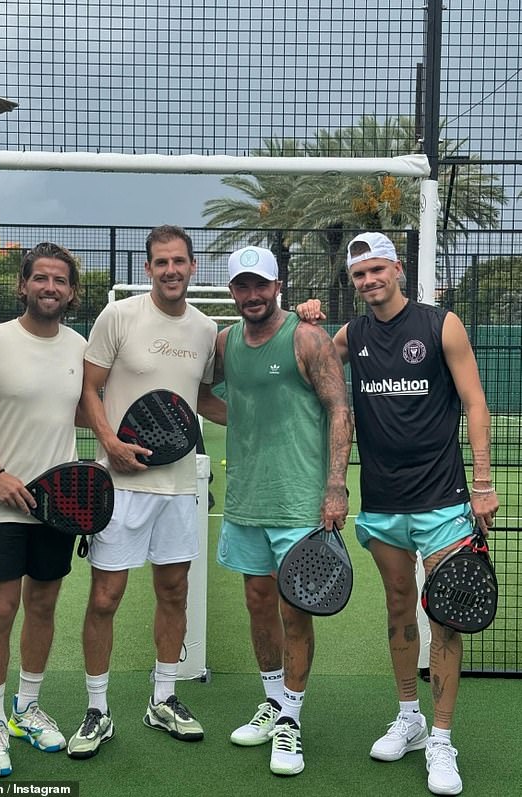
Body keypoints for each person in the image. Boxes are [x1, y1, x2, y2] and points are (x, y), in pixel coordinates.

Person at [299, 232, 499, 796]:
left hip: (443, 502)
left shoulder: (442, 324)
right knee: (396, 608)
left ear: (398, 270)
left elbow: (475, 403)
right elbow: (306, 352)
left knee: (445, 617)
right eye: (359, 274)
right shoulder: (353, 334)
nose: (368, 281)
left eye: (377, 269)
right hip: (382, 504)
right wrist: (305, 317)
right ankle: (408, 715)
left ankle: (441, 737)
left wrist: (482, 484)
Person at [67, 225, 225, 760]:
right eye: (161, 262)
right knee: (106, 597)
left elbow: (200, 399)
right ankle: (96, 709)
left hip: (180, 486)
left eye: (179, 261)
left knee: (174, 591)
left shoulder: (206, 329)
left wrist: (262, 419)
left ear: (193, 266)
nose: (171, 270)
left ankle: (164, 698)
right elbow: (89, 389)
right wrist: (108, 442)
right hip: (120, 486)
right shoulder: (119, 317)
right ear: (149, 268)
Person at [0, 242, 88, 778]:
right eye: (41, 278)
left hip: (58, 507)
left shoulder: (80, 346)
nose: (50, 288)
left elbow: (84, 411)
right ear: (23, 285)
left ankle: (27, 707)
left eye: (60, 281)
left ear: (72, 292)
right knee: (1, 611)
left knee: (44, 607)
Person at [215, 245, 353, 777]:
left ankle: (291, 719)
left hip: (300, 500)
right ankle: (272, 700)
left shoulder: (306, 336)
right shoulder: (225, 341)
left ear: (277, 287)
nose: (252, 295)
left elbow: (339, 408)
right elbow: (208, 396)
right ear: (233, 291)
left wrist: (336, 485)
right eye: (242, 286)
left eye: (261, 285)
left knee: (295, 610)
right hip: (246, 498)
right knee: (257, 601)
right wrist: (248, 419)